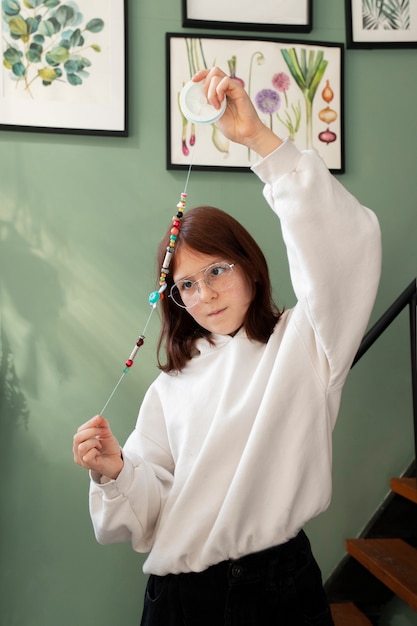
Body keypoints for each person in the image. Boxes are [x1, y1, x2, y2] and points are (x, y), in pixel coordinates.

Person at [73, 67, 382, 626]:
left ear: (251, 268)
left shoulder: (307, 343)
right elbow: (147, 516)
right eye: (187, 284)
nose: (206, 292)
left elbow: (345, 247)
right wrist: (115, 471)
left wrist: (260, 142)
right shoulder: (172, 384)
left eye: (217, 269)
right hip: (178, 601)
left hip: (275, 589)